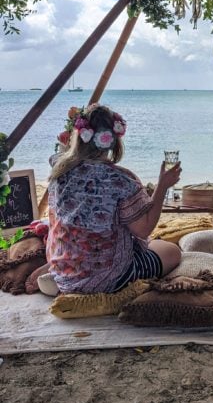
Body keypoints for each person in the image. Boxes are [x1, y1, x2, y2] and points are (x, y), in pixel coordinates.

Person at [26, 103, 182, 294]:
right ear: (114, 140)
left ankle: (56, 270)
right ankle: (88, 277)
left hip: (64, 269)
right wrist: (162, 186)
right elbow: (144, 229)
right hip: (108, 279)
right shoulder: (121, 180)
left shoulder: (60, 170)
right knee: (171, 251)